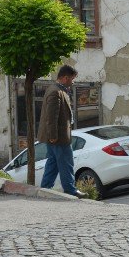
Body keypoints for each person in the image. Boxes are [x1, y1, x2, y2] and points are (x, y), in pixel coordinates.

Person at [37, 65, 84, 198]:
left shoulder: (58, 90)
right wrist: (53, 136)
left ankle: (45, 189)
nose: (73, 82)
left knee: (53, 163)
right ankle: (70, 189)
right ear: (65, 78)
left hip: (57, 136)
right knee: (66, 162)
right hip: (58, 136)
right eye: (72, 79)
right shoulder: (55, 92)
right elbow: (51, 117)